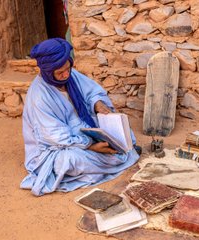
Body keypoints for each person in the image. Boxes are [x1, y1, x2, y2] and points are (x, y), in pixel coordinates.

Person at [20, 38, 140, 196]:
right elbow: (55, 136)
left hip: (84, 129)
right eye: (60, 72)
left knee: (122, 130)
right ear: (48, 72)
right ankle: (119, 156)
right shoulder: (39, 97)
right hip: (56, 145)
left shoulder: (71, 75)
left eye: (67, 69)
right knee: (69, 160)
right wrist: (91, 146)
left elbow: (92, 92)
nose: (65, 75)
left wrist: (97, 104)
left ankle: (117, 153)